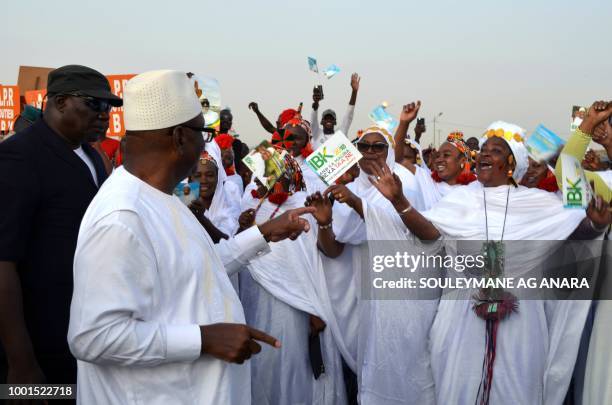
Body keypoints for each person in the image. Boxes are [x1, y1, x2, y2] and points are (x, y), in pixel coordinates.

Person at [67, 70, 315, 405]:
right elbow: (93, 337)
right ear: (181, 137)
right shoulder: (122, 216)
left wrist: (264, 233)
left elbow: (199, 269)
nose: (207, 143)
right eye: (205, 132)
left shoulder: (166, 197)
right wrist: (203, 339)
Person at [365, 121, 611, 404]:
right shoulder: (459, 199)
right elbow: (430, 234)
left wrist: (593, 225)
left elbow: (570, 239)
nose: (483, 154)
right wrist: (399, 201)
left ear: (510, 163)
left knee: (517, 390)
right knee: (457, 387)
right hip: (460, 317)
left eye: (494, 150)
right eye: (482, 149)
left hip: (522, 320)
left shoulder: (537, 203)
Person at [0, 65, 122, 389]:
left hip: (81, 335)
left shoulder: (93, 157)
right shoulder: (18, 157)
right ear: (61, 102)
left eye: (109, 107)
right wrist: (20, 362)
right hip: (36, 344)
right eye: (95, 104)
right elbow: (2, 262)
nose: (105, 114)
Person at [239, 153, 348, 405]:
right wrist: (243, 228)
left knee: (293, 365)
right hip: (258, 300)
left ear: (290, 175)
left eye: (278, 173)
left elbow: (313, 260)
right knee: (264, 366)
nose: (261, 181)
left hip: (297, 305)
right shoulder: (256, 205)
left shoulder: (306, 204)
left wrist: (312, 308)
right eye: (265, 174)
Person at [189, 151, 238, 242]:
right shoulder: (183, 204)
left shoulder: (228, 207)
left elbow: (227, 243)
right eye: (197, 175)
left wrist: (201, 218)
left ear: (218, 179)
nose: (203, 180)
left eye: (210, 175)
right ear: (191, 179)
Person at [310, 73, 360, 148]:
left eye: (331, 118)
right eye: (326, 118)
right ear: (321, 122)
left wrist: (354, 92)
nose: (329, 120)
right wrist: (316, 103)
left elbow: (349, 114)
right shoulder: (316, 134)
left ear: (335, 122)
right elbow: (313, 121)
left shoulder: (341, 132)